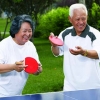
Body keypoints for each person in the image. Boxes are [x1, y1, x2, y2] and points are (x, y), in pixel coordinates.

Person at [49, 3, 100, 91]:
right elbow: (57, 52)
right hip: (70, 87)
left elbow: (98, 54)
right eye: (77, 19)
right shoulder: (65, 33)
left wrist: (83, 52)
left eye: (83, 18)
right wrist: (54, 45)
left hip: (92, 86)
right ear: (70, 19)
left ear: (87, 17)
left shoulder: (95, 34)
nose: (81, 22)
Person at [0, 14, 42, 97]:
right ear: (15, 30)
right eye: (24, 31)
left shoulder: (30, 46)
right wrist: (13, 67)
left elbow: (36, 69)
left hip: (17, 95)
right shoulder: (3, 45)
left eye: (30, 31)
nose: (28, 34)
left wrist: (38, 70)